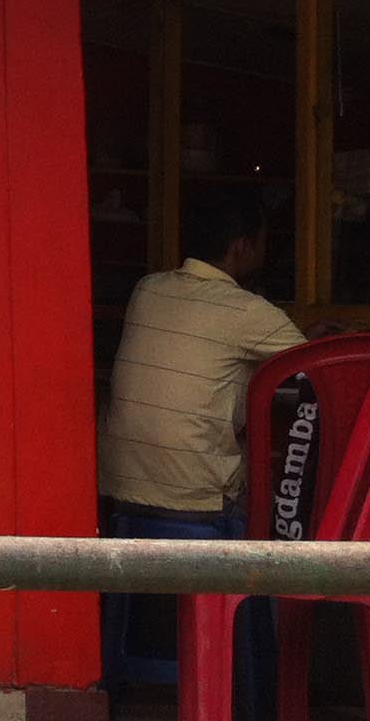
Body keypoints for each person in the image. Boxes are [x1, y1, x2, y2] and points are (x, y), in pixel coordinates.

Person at [99, 190, 305, 529]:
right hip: (196, 503)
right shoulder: (247, 310)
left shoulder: (146, 289)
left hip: (121, 491)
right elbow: (314, 367)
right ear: (242, 246)